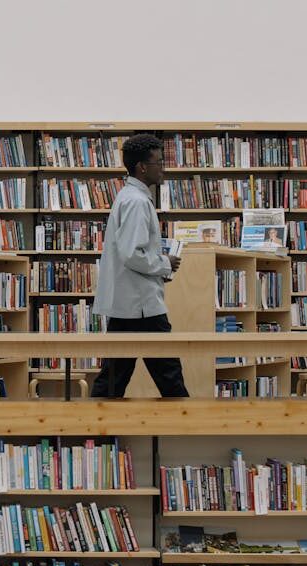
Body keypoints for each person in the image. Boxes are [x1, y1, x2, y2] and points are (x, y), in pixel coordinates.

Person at [91, 134, 189, 398]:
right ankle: (185, 431)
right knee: (170, 378)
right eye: (158, 162)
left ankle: (94, 432)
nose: (163, 167)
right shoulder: (136, 201)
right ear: (142, 167)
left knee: (113, 378)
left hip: (130, 304)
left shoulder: (129, 196)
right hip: (142, 306)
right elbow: (132, 253)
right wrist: (164, 264)